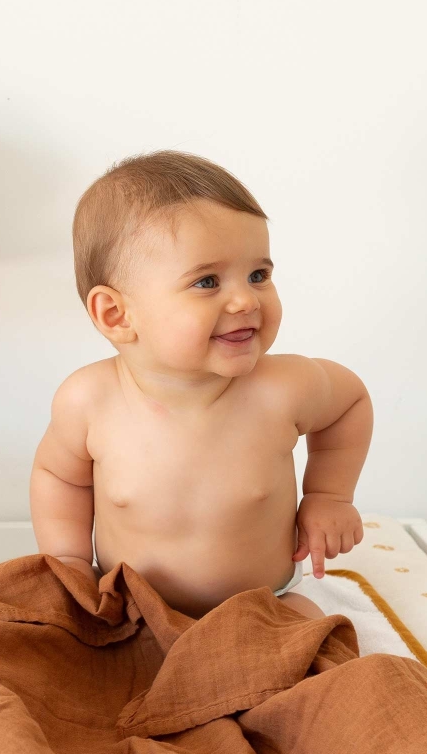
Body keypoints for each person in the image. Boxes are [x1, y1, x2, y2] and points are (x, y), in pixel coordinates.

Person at [30, 150, 373, 620]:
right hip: (131, 608)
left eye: (259, 275)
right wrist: (68, 561)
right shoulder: (89, 400)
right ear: (116, 314)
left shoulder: (283, 388)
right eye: (207, 281)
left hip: (261, 603)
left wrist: (328, 496)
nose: (245, 300)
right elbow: (59, 476)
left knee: (306, 633)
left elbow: (350, 402)